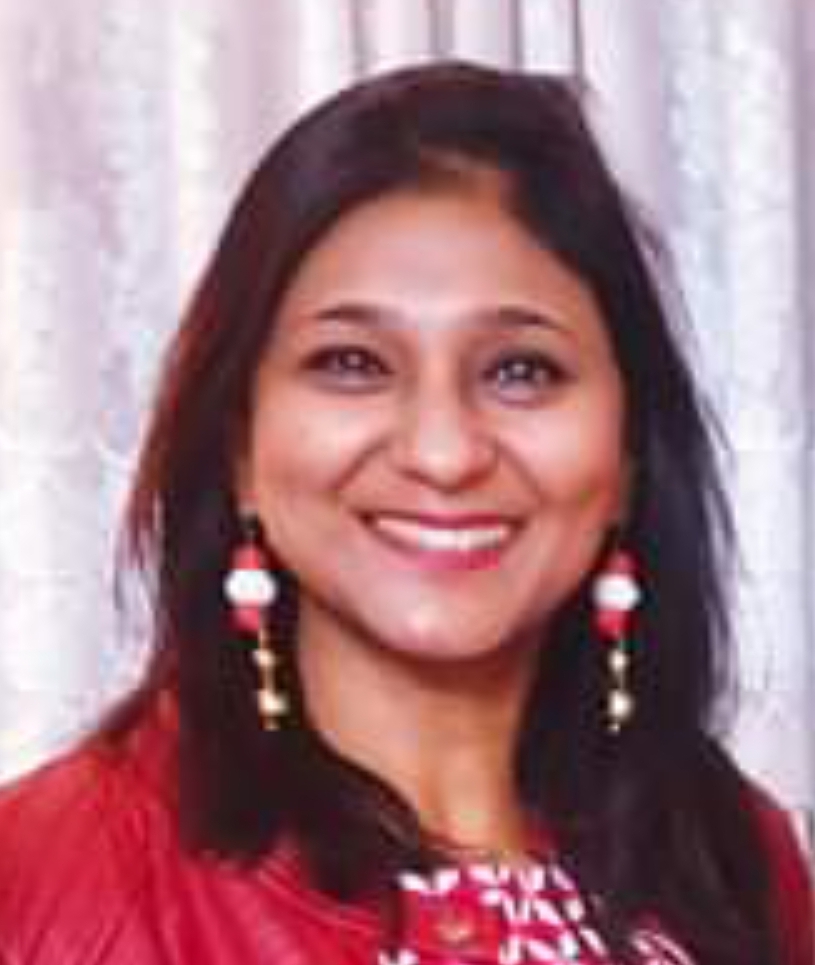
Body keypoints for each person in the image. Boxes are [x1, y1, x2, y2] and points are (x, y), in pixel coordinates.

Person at [0, 61, 811, 965]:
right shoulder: (50, 883)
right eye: (351, 363)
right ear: (240, 446)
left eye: (521, 370)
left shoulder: (732, 853)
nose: (443, 452)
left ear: (625, 454)